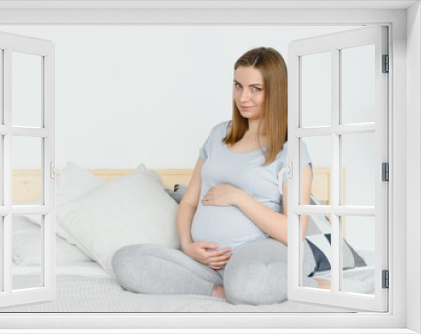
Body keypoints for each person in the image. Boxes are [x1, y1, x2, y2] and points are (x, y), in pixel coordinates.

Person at [112, 47, 324, 306]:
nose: (243, 97)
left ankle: (288, 282)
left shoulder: (291, 149)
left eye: (255, 89)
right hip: (206, 260)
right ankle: (219, 290)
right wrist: (187, 244)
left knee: (250, 283)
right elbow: (189, 202)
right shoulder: (218, 135)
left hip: (256, 251)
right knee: (126, 261)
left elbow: (293, 232)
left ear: (275, 91)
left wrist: (239, 197)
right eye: (238, 86)